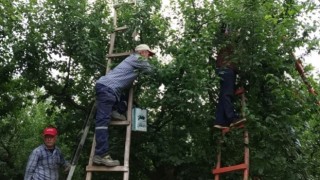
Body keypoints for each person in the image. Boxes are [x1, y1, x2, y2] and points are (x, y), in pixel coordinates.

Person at [93, 44, 155, 166]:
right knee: (102, 122)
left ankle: (115, 111)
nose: (149, 56)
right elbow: (152, 71)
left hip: (111, 90)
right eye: (148, 53)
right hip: (107, 89)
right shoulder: (138, 58)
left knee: (123, 97)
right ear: (142, 52)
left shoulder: (133, 60)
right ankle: (101, 155)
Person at [214, 24, 246, 129]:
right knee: (227, 94)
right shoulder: (228, 41)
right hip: (227, 69)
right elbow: (227, 34)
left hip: (223, 69)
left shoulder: (228, 44)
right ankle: (232, 118)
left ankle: (220, 121)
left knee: (223, 94)